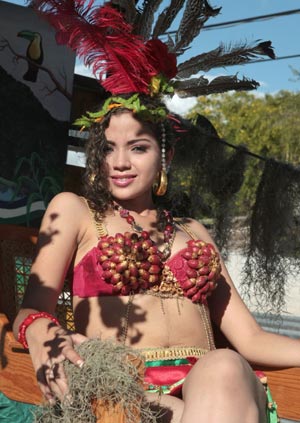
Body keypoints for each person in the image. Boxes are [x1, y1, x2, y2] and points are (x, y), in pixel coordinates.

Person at [9, 1, 300, 422]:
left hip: (212, 383)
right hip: (124, 388)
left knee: (222, 365)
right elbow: (33, 306)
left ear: (165, 155)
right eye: (108, 148)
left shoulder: (193, 230)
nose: (120, 162)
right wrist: (42, 332)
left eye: (138, 148)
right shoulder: (74, 211)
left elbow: (250, 338)